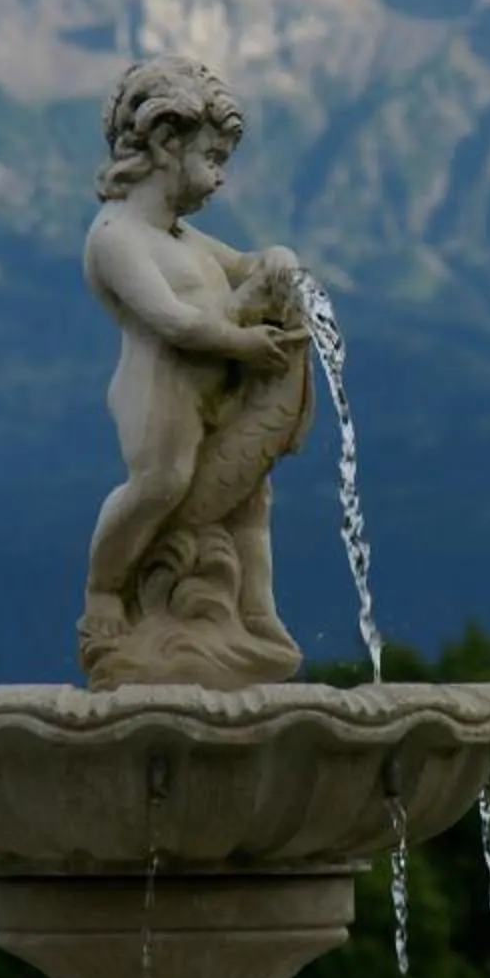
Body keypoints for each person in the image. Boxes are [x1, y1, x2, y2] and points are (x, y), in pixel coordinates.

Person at [79, 56, 309, 682]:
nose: (220, 177)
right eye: (213, 158)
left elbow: (243, 265)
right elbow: (173, 322)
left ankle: (256, 614)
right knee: (161, 484)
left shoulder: (181, 237)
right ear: (165, 143)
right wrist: (244, 344)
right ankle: (105, 590)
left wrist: (279, 262)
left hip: (220, 386)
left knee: (250, 496)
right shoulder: (118, 237)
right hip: (161, 393)